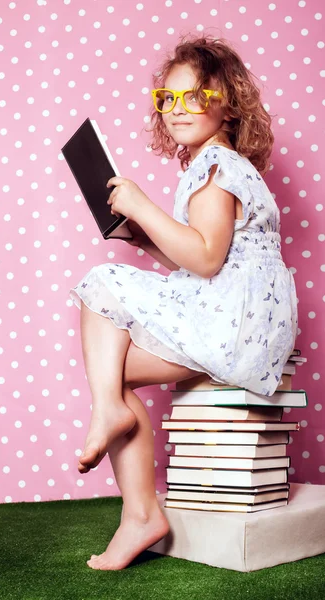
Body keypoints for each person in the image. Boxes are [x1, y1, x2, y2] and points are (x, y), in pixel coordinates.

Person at [68, 34, 298, 570]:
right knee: (113, 369)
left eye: (194, 96)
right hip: (241, 319)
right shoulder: (226, 166)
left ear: (229, 102)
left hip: (234, 326)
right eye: (166, 99)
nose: (177, 110)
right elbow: (209, 258)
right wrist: (146, 238)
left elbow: (208, 259)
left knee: (102, 285)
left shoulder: (215, 168)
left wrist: (145, 207)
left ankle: (114, 430)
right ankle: (140, 514)